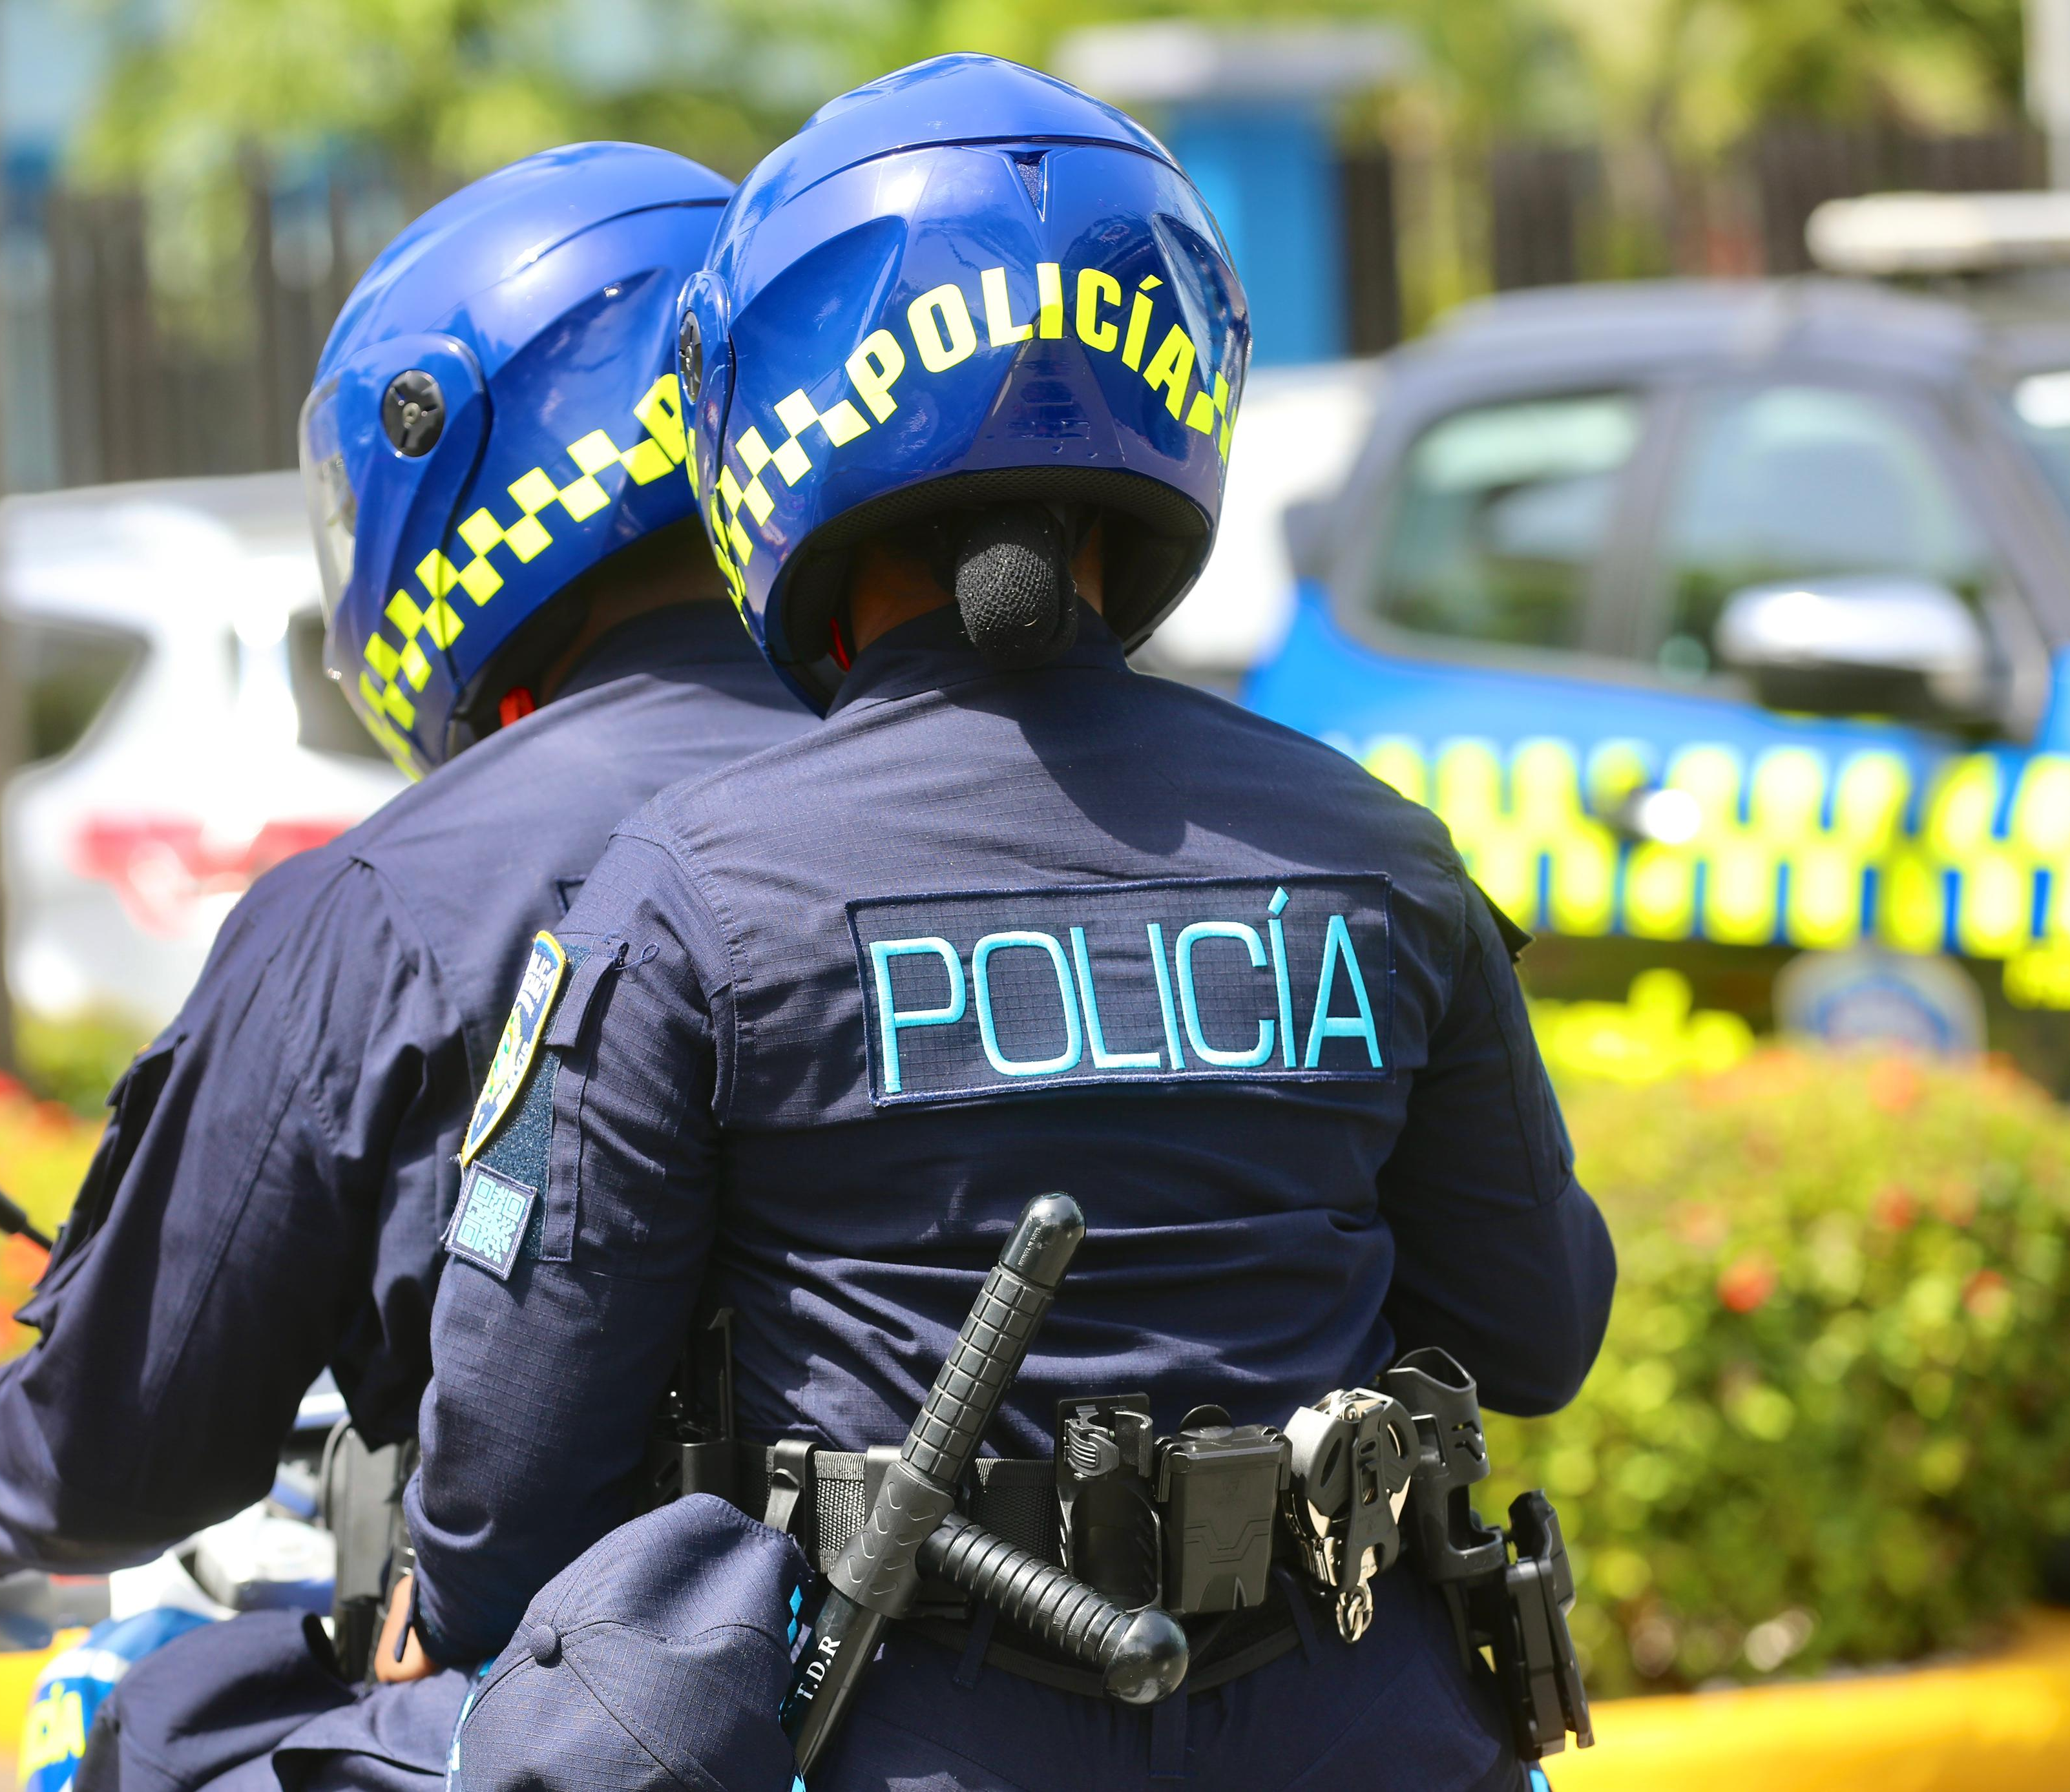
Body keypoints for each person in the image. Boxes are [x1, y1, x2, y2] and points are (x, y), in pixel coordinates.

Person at [397, 57, 1618, 1791]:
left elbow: (509, 1469)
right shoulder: (1382, 854)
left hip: (912, 1735)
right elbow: (1539, 1322)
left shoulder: (693, 886)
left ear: (774, 421)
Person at [0, 142, 811, 1788]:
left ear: (453, 453)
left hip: (593, 1705)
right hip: (1035, 1677)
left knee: (160, 1727)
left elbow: (130, 1428)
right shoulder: (970, 798)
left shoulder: (396, 898)